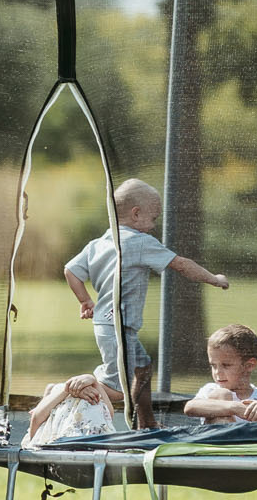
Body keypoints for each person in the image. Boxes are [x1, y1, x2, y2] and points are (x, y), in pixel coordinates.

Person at [64, 179, 230, 430]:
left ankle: (147, 422)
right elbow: (181, 264)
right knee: (118, 388)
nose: (153, 226)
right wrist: (214, 279)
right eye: (153, 218)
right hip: (119, 328)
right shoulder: (139, 242)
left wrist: (85, 300)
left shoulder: (98, 243)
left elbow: (70, 271)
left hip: (107, 324)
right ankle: (64, 392)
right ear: (136, 213)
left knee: (143, 367)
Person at [183, 323, 257, 425]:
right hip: (218, 435)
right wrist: (234, 407)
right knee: (222, 394)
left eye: (226, 365)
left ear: (249, 365)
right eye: (213, 365)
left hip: (250, 435)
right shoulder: (210, 390)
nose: (217, 372)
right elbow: (190, 407)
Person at [25, 371, 114, 446]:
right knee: (91, 400)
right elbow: (109, 416)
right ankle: (59, 389)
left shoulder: (43, 436)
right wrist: (93, 382)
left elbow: (36, 419)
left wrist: (68, 389)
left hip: (61, 423)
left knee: (58, 393)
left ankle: (57, 390)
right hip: (87, 427)